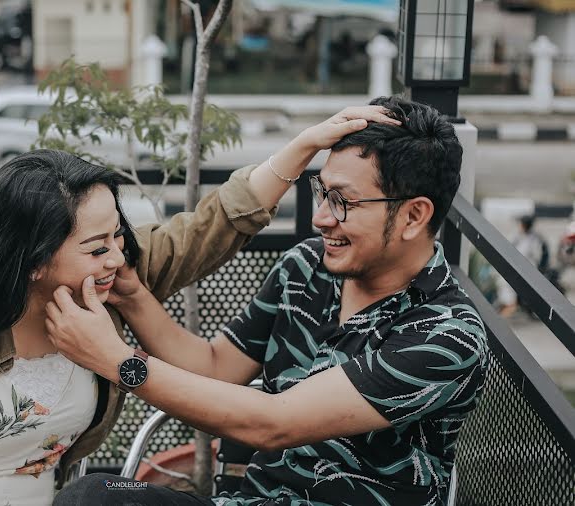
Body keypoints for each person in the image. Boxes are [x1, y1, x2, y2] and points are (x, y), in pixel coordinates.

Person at [0, 104, 394, 506]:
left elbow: (212, 227)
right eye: (96, 245)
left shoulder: (106, 296)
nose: (117, 256)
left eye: (118, 234)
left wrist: (301, 149)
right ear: (33, 260)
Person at [46, 96, 488, 506]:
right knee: (94, 496)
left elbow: (275, 423)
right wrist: (133, 295)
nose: (320, 218)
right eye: (322, 192)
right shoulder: (307, 268)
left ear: (414, 216)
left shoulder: (445, 334)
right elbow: (218, 368)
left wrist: (117, 360)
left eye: (343, 203)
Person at [497, 215, 548, 316]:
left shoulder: (534, 239)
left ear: (524, 225)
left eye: (521, 224)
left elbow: (536, 257)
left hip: (527, 271)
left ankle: (509, 307)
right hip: (517, 268)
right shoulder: (519, 236)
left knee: (507, 286)